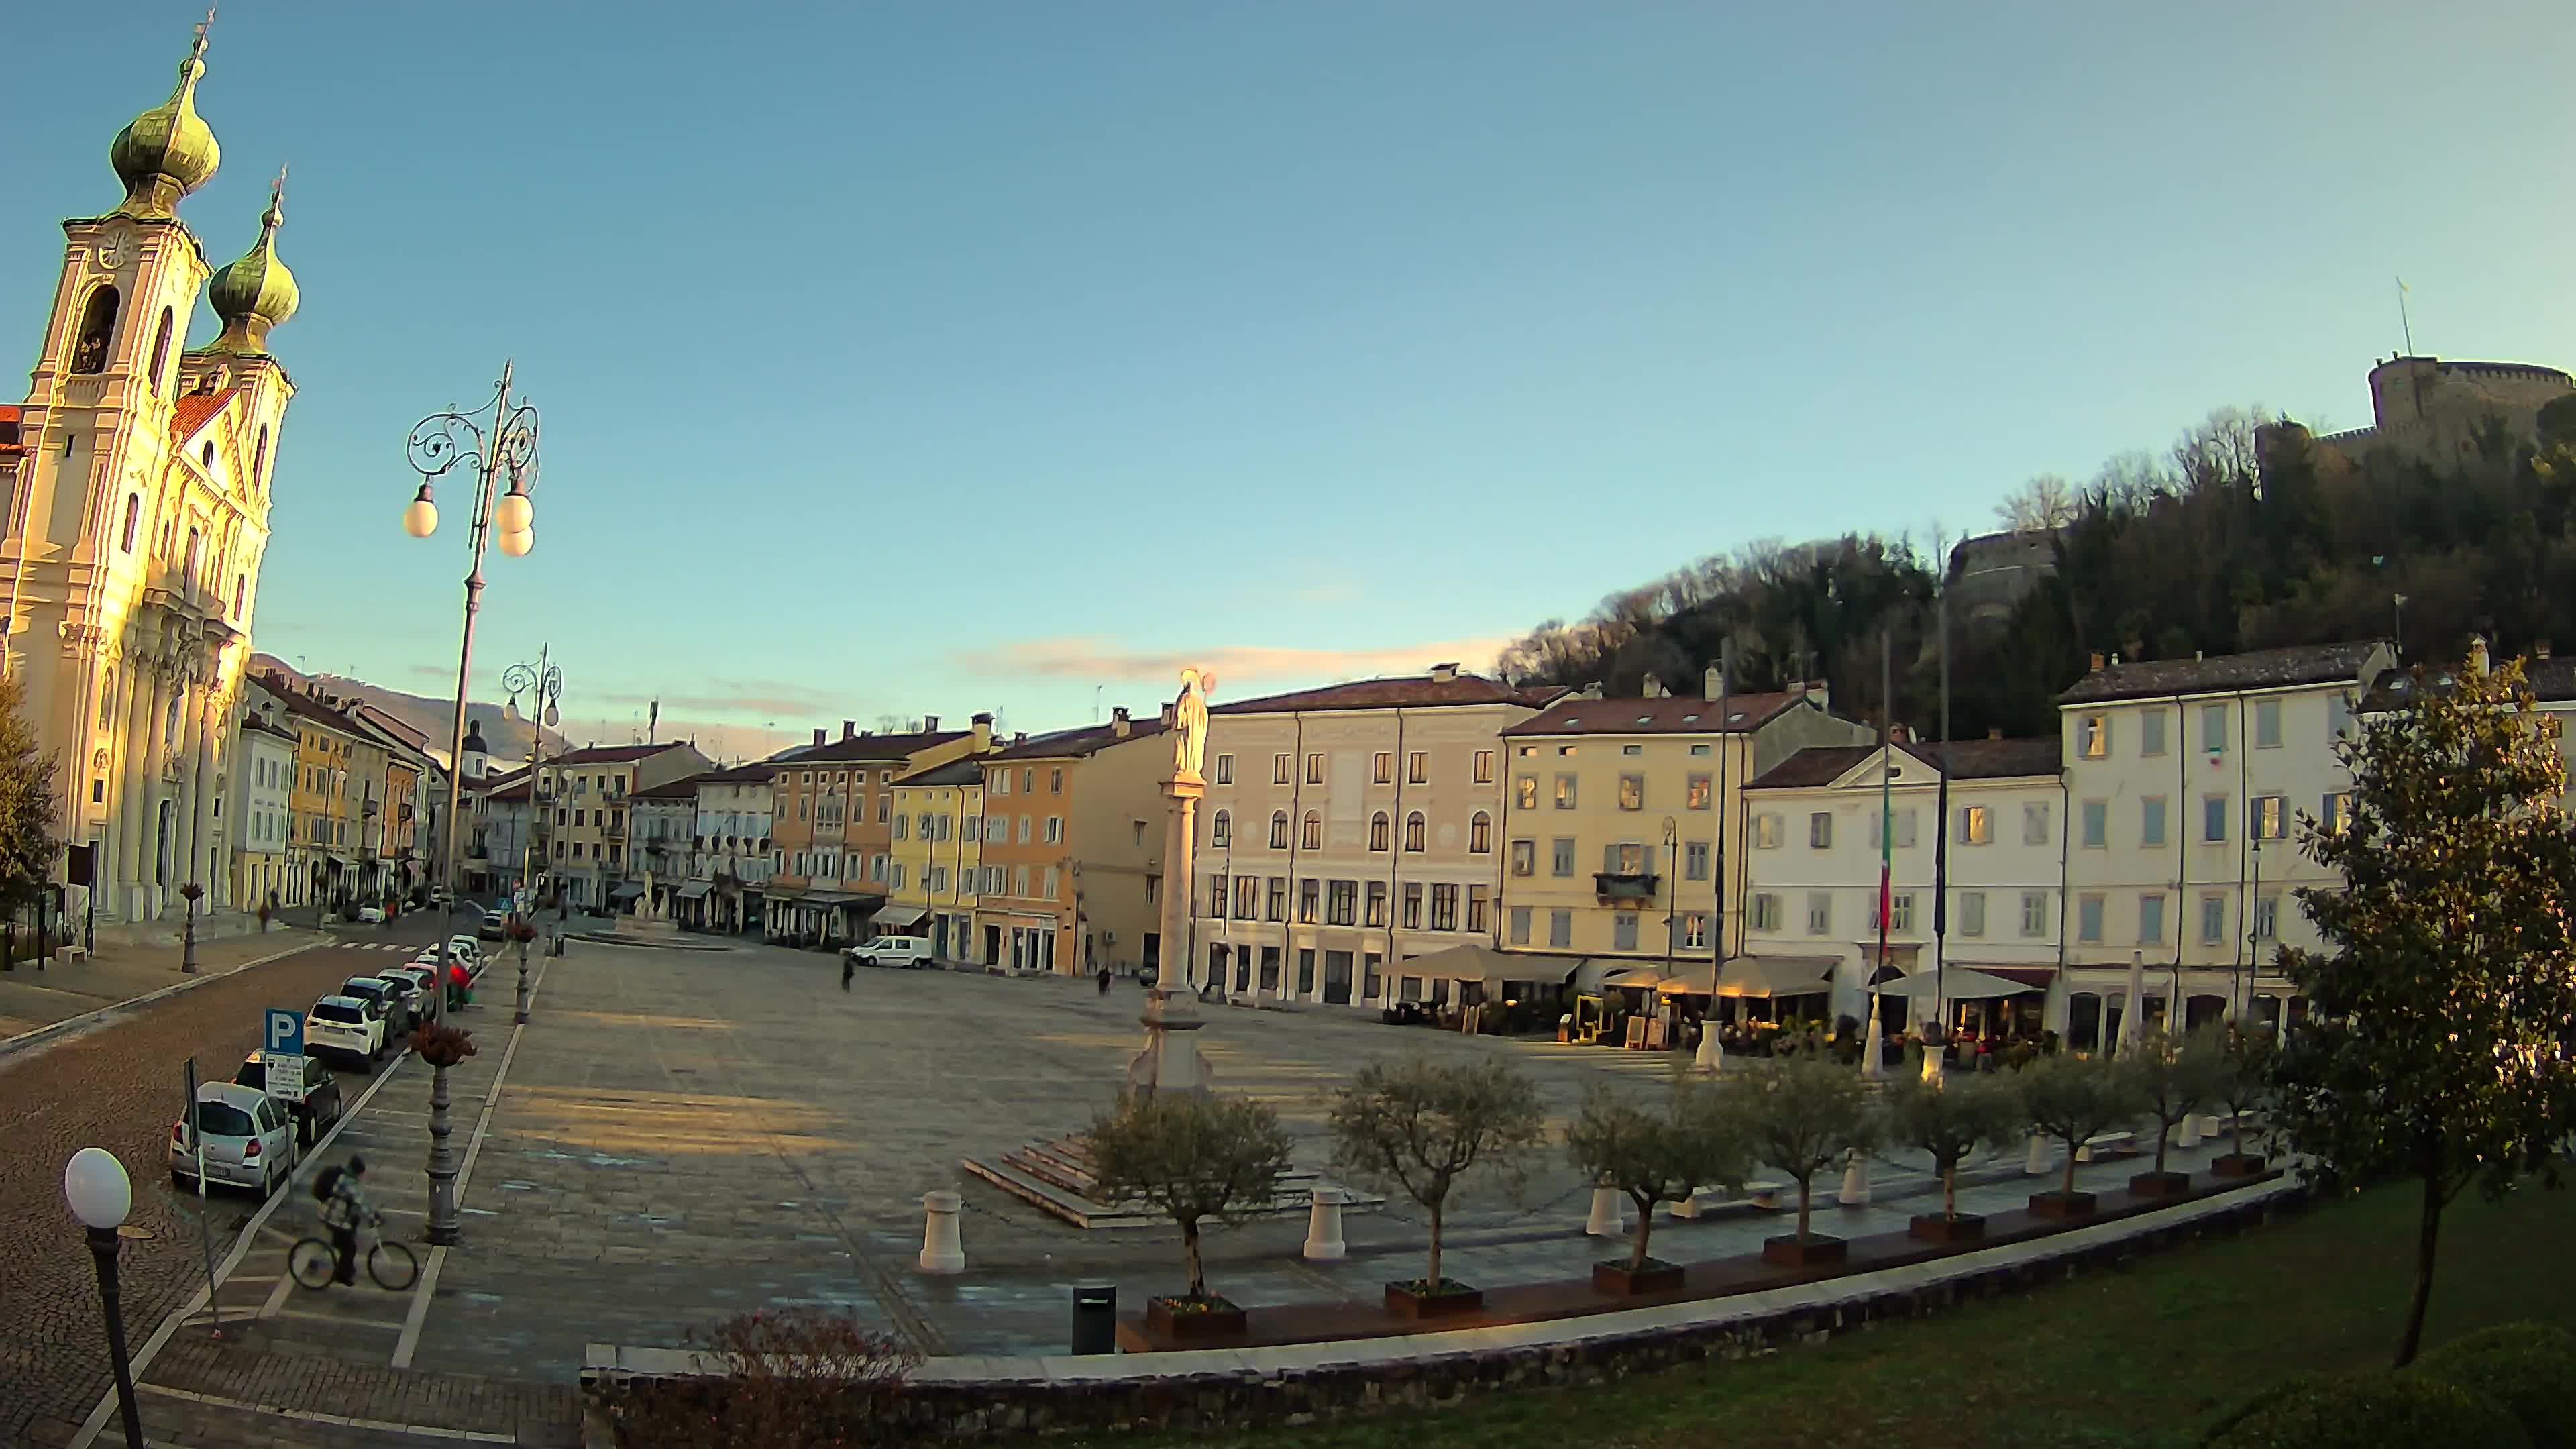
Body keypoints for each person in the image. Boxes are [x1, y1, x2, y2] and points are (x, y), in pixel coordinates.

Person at [320, 1155, 374, 1286]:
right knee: (350, 1248)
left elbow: (359, 1201)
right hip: (333, 1218)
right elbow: (359, 1202)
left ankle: (343, 1264)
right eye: (361, 1173)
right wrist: (373, 1216)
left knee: (347, 1240)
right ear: (356, 1171)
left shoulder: (349, 1179)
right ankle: (341, 1275)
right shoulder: (347, 1182)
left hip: (338, 1216)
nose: (362, 1176)